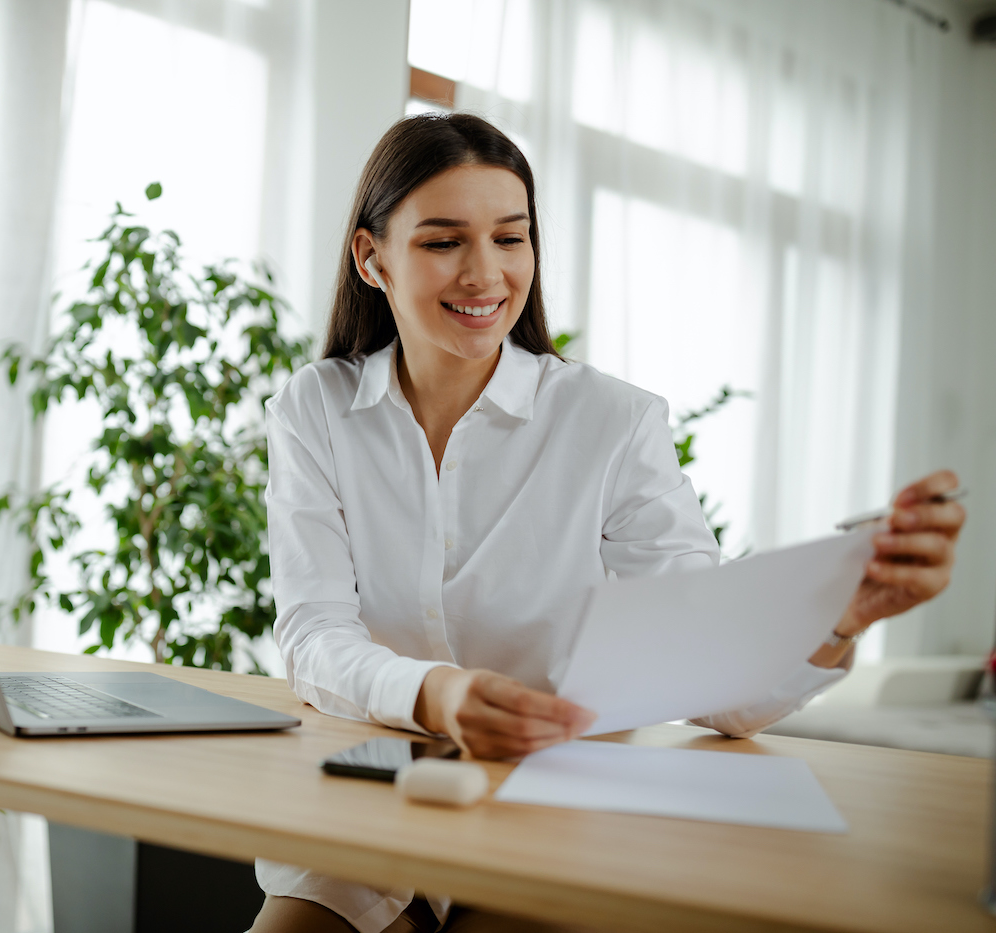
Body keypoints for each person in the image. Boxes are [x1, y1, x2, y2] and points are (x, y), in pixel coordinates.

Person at [247, 113, 965, 933]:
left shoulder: (613, 421)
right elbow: (313, 636)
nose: (487, 273)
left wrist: (840, 610)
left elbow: (711, 678)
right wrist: (437, 694)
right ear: (372, 259)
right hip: (370, 803)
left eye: (511, 238)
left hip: (549, 815)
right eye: (444, 242)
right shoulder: (317, 408)